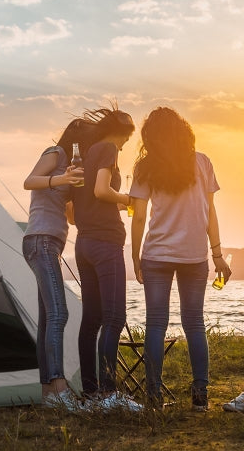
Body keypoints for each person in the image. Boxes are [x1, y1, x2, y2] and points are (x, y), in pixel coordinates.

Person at [129, 107, 231, 411]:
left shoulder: (145, 167)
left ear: (151, 137)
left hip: (157, 253)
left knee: (156, 323)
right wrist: (217, 253)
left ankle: (153, 397)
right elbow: (209, 211)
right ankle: (200, 396)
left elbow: (138, 218)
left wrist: (135, 257)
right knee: (194, 323)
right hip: (194, 254)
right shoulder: (202, 162)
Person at [72, 106, 142, 412]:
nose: (126, 146)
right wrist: (127, 199)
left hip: (84, 243)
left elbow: (83, 202)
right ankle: (109, 394)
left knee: (92, 321)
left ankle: (90, 394)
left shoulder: (87, 153)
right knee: (114, 317)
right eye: (128, 139)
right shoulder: (109, 148)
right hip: (104, 243)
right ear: (123, 133)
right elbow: (102, 191)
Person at [23, 118, 91, 411]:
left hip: (50, 243)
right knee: (59, 314)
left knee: (48, 319)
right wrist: (62, 179)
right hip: (40, 240)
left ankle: (48, 394)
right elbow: (29, 181)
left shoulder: (73, 167)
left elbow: (72, 217)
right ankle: (59, 388)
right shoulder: (56, 153)